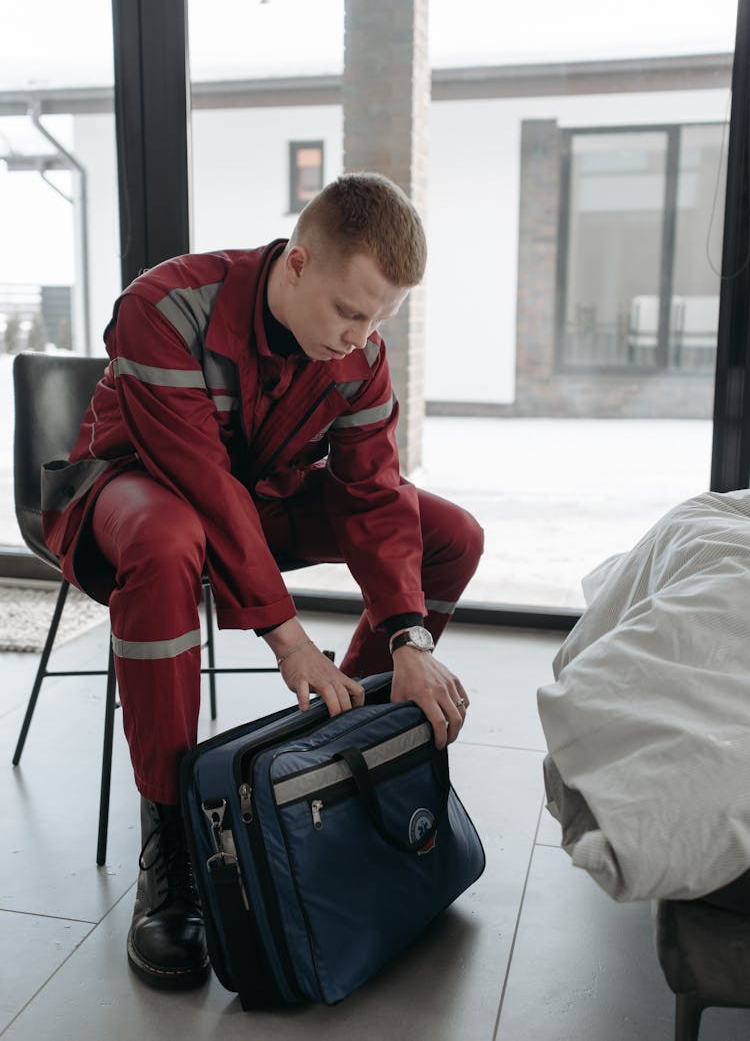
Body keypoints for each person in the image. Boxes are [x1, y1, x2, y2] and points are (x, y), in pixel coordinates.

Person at [41, 172, 484, 990]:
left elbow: (375, 495)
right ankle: (171, 847)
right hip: (127, 492)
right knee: (172, 539)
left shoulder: (360, 358)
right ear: (298, 264)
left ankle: (337, 751)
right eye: (350, 312)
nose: (359, 337)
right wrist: (288, 640)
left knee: (449, 533)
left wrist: (408, 638)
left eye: (379, 319)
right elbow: (201, 486)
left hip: (258, 501)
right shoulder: (166, 306)